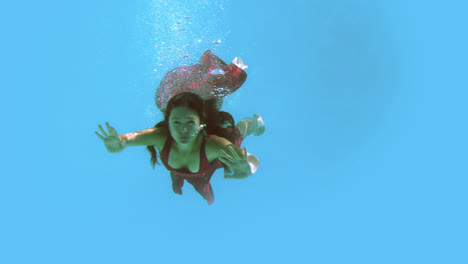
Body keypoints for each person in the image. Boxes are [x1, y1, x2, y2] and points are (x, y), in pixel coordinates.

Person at [96, 51, 264, 205]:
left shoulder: (214, 144)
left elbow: (250, 166)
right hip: (190, 168)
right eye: (176, 123)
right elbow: (120, 143)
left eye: (190, 123)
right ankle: (181, 176)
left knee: (238, 132)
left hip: (211, 161)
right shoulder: (160, 136)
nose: (183, 130)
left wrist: (243, 169)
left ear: (200, 123)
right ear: (167, 122)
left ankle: (256, 122)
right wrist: (113, 143)